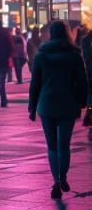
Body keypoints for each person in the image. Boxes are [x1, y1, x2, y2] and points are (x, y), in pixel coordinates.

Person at [29, 20, 88, 199]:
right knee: (64, 145)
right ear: (67, 33)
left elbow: (35, 84)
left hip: (46, 105)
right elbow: (82, 82)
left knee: (52, 146)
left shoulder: (41, 55)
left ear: (51, 34)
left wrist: (32, 107)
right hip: (67, 105)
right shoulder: (74, 55)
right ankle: (64, 176)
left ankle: (55, 181)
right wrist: (82, 102)